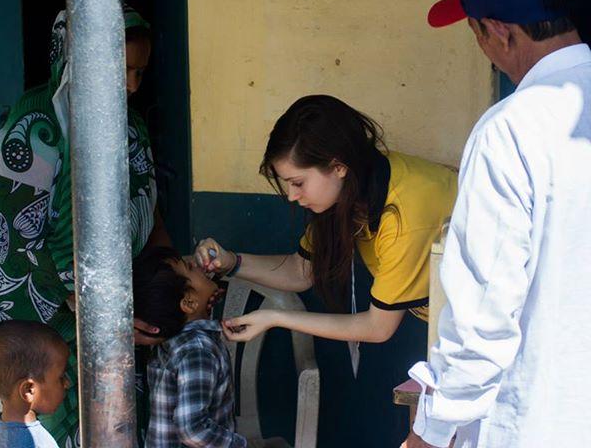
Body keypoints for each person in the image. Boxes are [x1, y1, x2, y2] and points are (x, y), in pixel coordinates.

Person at [194, 94, 457, 445]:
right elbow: (302, 272)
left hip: (485, 333)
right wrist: (232, 261)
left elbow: (377, 328)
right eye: (286, 183)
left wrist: (275, 317)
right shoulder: (351, 190)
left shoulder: (402, 213)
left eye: (297, 182)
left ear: (338, 166)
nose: (290, 195)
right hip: (442, 332)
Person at [402, 0, 591, 447]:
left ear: (501, 31)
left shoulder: (509, 131)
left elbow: (482, 321)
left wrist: (430, 432)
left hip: (538, 422)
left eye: (476, 32)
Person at [0, 6, 167, 446]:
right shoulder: (34, 122)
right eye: (125, 70)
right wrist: (103, 314)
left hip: (105, 306)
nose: (133, 86)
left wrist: (165, 275)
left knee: (110, 424)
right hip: (27, 312)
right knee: (42, 431)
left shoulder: (131, 127)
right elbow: (20, 235)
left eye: (141, 72)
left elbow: (147, 208)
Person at [134, 247, 246, 448]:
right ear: (189, 302)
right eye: (189, 268)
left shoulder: (168, 343)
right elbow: (193, 429)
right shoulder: (198, 351)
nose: (195, 264)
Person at [0, 320, 70, 448]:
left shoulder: (3, 427)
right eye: (61, 377)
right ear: (29, 390)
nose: (67, 383)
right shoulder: (33, 442)